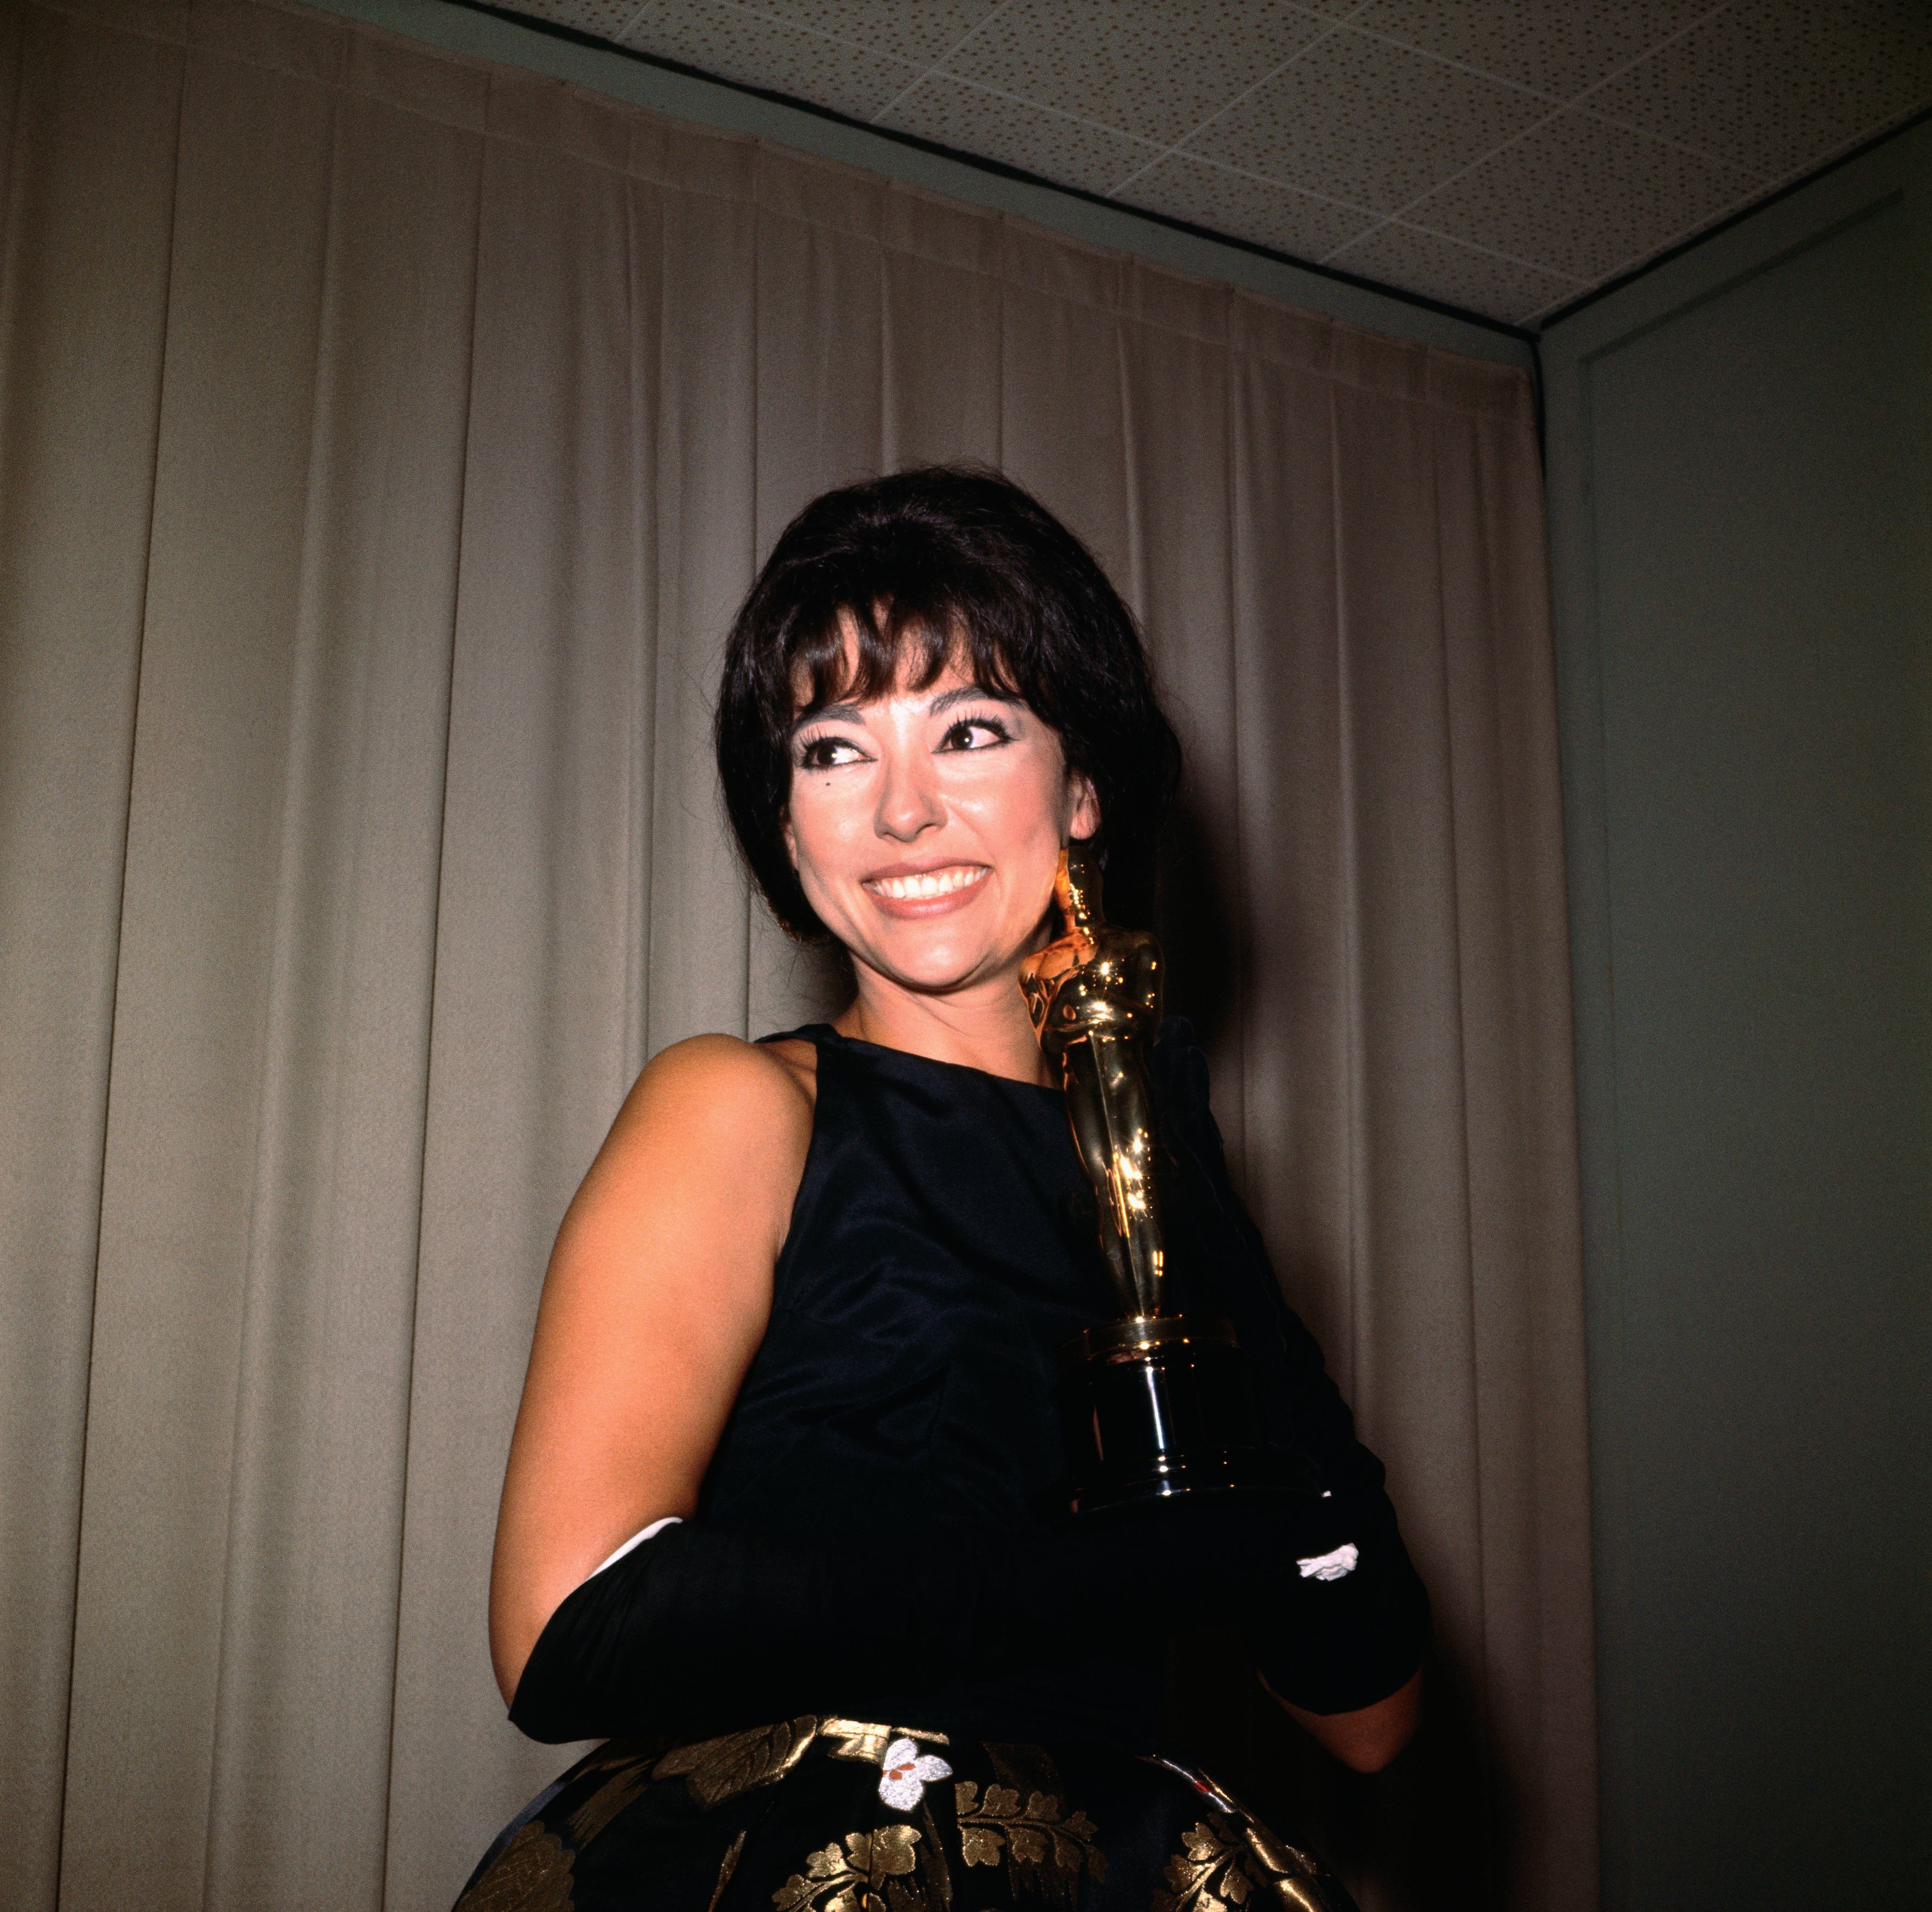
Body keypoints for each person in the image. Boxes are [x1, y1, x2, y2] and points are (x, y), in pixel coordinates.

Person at [458, 468, 1428, 1912]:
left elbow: (1366, 1711)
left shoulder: (1152, 1168)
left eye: (969, 729)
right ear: (784, 821)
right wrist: (1133, 1564)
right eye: (833, 748)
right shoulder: (739, 1102)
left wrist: (1192, 1213)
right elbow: (568, 1635)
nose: (902, 811)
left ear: (1082, 785)